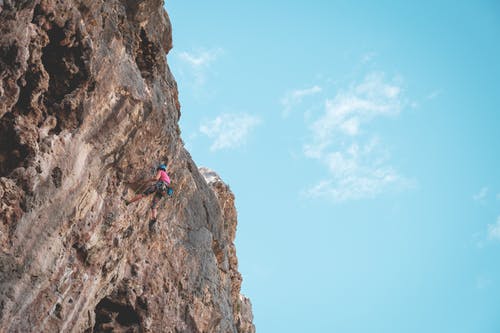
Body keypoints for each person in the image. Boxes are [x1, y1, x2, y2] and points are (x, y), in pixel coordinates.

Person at [124, 163, 171, 231]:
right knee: (153, 206)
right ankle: (154, 218)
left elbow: (156, 178)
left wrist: (149, 180)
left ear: (160, 168)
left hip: (159, 186)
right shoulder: (167, 177)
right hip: (163, 191)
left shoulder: (161, 171)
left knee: (143, 194)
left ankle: (128, 202)